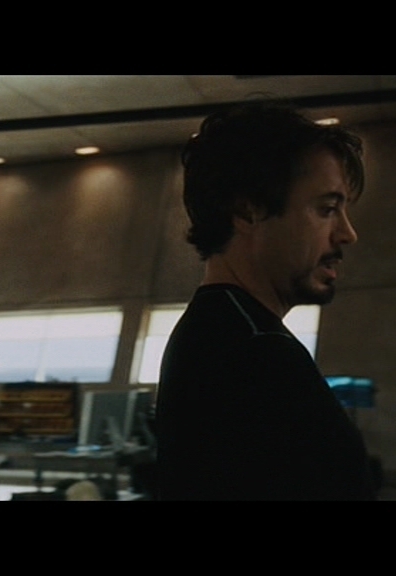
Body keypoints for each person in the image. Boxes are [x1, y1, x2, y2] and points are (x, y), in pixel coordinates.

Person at [155, 103, 375, 500]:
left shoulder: (219, 330)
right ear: (247, 210)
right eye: (327, 209)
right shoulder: (256, 353)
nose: (347, 234)